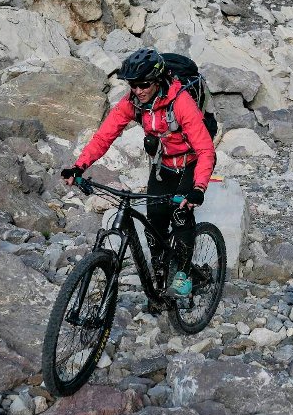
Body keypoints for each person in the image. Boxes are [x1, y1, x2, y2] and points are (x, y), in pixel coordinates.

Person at [61, 47, 215, 300]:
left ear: (157, 80)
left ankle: (184, 275)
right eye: (133, 85)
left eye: (144, 85)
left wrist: (198, 189)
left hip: (191, 162)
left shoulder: (181, 103)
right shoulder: (133, 103)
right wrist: (79, 166)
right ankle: (161, 270)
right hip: (163, 164)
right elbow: (104, 136)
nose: (138, 90)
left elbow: (206, 149)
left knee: (181, 214)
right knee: (154, 221)